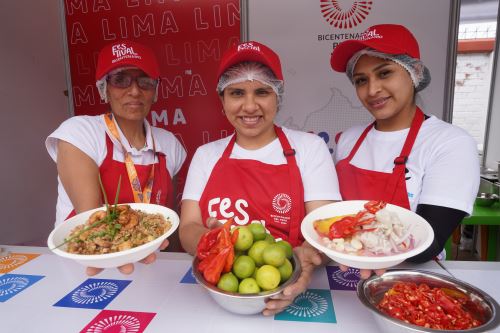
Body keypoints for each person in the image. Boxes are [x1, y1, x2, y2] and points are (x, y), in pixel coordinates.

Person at [179, 41, 342, 315]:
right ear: (222, 100)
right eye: (237, 93)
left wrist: (307, 261)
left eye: (262, 92)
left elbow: (322, 230)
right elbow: (188, 228)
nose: (250, 106)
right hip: (220, 286)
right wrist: (217, 247)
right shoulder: (207, 155)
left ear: (278, 96)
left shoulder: (309, 148)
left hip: (288, 280)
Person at [330, 24, 480, 265]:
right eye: (361, 80)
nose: (372, 89)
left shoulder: (450, 143)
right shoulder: (349, 139)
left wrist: (347, 241)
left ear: (414, 73)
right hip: (343, 268)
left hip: (409, 280)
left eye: (385, 73)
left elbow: (426, 245)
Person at [46, 40, 186, 275]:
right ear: (104, 88)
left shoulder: (169, 144)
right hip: (88, 263)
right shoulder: (80, 133)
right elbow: (93, 223)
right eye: (120, 80)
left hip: (151, 261)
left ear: (155, 89)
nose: (134, 91)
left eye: (145, 81)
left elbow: (166, 217)